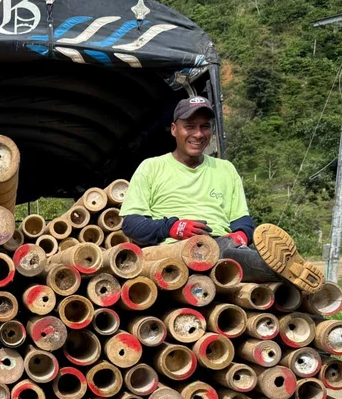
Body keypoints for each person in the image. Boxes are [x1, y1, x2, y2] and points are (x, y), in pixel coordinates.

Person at [119, 96, 323, 293]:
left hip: (222, 245)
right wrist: (173, 227)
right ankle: (283, 270)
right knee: (251, 262)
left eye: (205, 126)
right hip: (174, 250)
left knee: (234, 253)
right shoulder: (151, 167)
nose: (198, 134)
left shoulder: (225, 169)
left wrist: (241, 234)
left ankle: (283, 268)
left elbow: (242, 220)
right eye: (189, 126)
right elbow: (132, 224)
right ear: (174, 130)